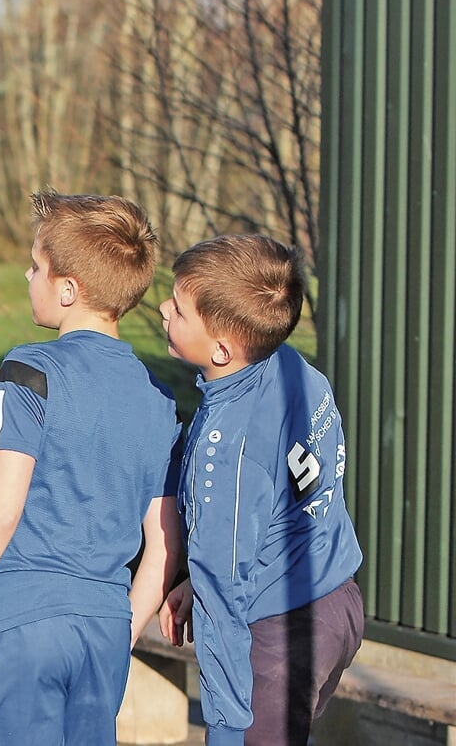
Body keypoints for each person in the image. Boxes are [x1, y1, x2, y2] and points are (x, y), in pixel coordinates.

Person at [0, 192, 183, 746]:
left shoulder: (30, 371)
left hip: (16, 629)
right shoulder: (159, 399)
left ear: (68, 289)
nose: (26, 274)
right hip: (102, 631)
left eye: (36, 265)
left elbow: (1, 510)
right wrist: (120, 629)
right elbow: (163, 547)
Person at [157, 235, 364, 746]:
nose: (163, 309)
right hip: (337, 602)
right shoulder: (292, 368)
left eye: (180, 310)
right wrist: (198, 577)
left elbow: (222, 590)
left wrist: (227, 723)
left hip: (276, 635)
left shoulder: (225, 447)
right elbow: (272, 505)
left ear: (224, 348)